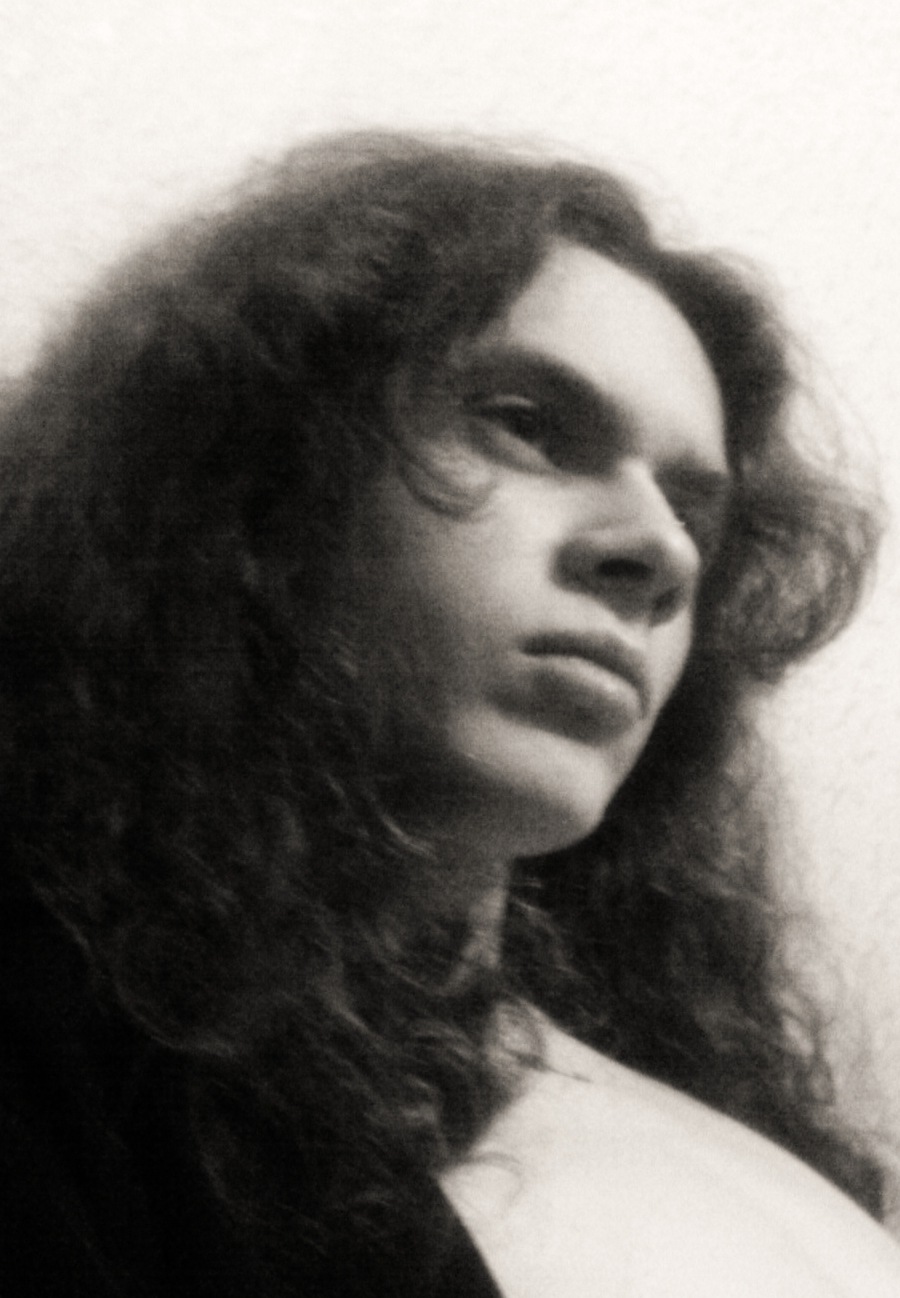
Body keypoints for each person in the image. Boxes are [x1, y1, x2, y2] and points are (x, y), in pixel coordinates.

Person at [0, 131, 898, 1298]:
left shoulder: (701, 1102)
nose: (661, 551)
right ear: (261, 479)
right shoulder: (61, 1048)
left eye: (695, 511)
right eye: (526, 422)